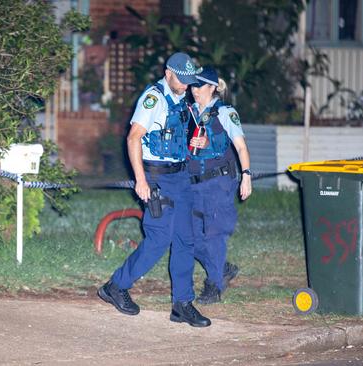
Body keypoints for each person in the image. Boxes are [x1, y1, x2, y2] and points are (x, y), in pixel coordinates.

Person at [98, 52, 211, 327]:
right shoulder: (153, 99)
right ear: (167, 72)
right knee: (160, 238)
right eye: (181, 80)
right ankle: (116, 286)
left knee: (186, 238)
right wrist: (141, 180)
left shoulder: (183, 102)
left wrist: (201, 143)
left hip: (181, 175)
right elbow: (133, 137)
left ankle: (182, 305)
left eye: (189, 82)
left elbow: (194, 139)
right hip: (156, 176)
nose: (186, 86)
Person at [187, 66, 252, 305]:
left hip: (219, 182)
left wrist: (246, 175)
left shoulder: (225, 112)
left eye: (200, 85)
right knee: (188, 236)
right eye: (193, 85)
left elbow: (241, 147)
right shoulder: (188, 112)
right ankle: (221, 267)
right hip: (193, 184)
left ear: (213, 87)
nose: (195, 90)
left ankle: (214, 285)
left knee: (215, 235)